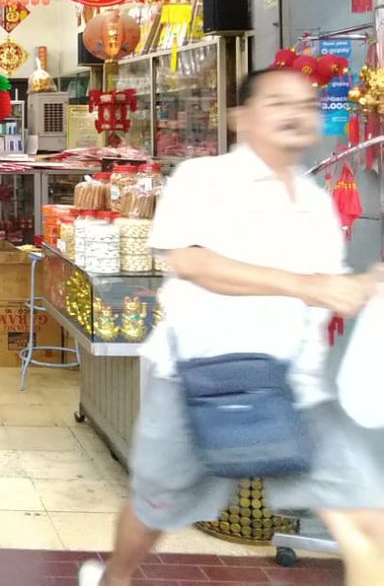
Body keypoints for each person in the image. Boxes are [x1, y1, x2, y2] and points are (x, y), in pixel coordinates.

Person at [80, 68, 384, 586]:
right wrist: (308, 285)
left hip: (297, 387)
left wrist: (363, 288)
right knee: (155, 507)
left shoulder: (316, 200)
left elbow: (325, 291)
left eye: (305, 105)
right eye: (277, 102)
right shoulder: (203, 178)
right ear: (240, 117)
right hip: (200, 377)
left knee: (367, 521)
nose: (294, 113)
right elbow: (192, 262)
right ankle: (117, 577)